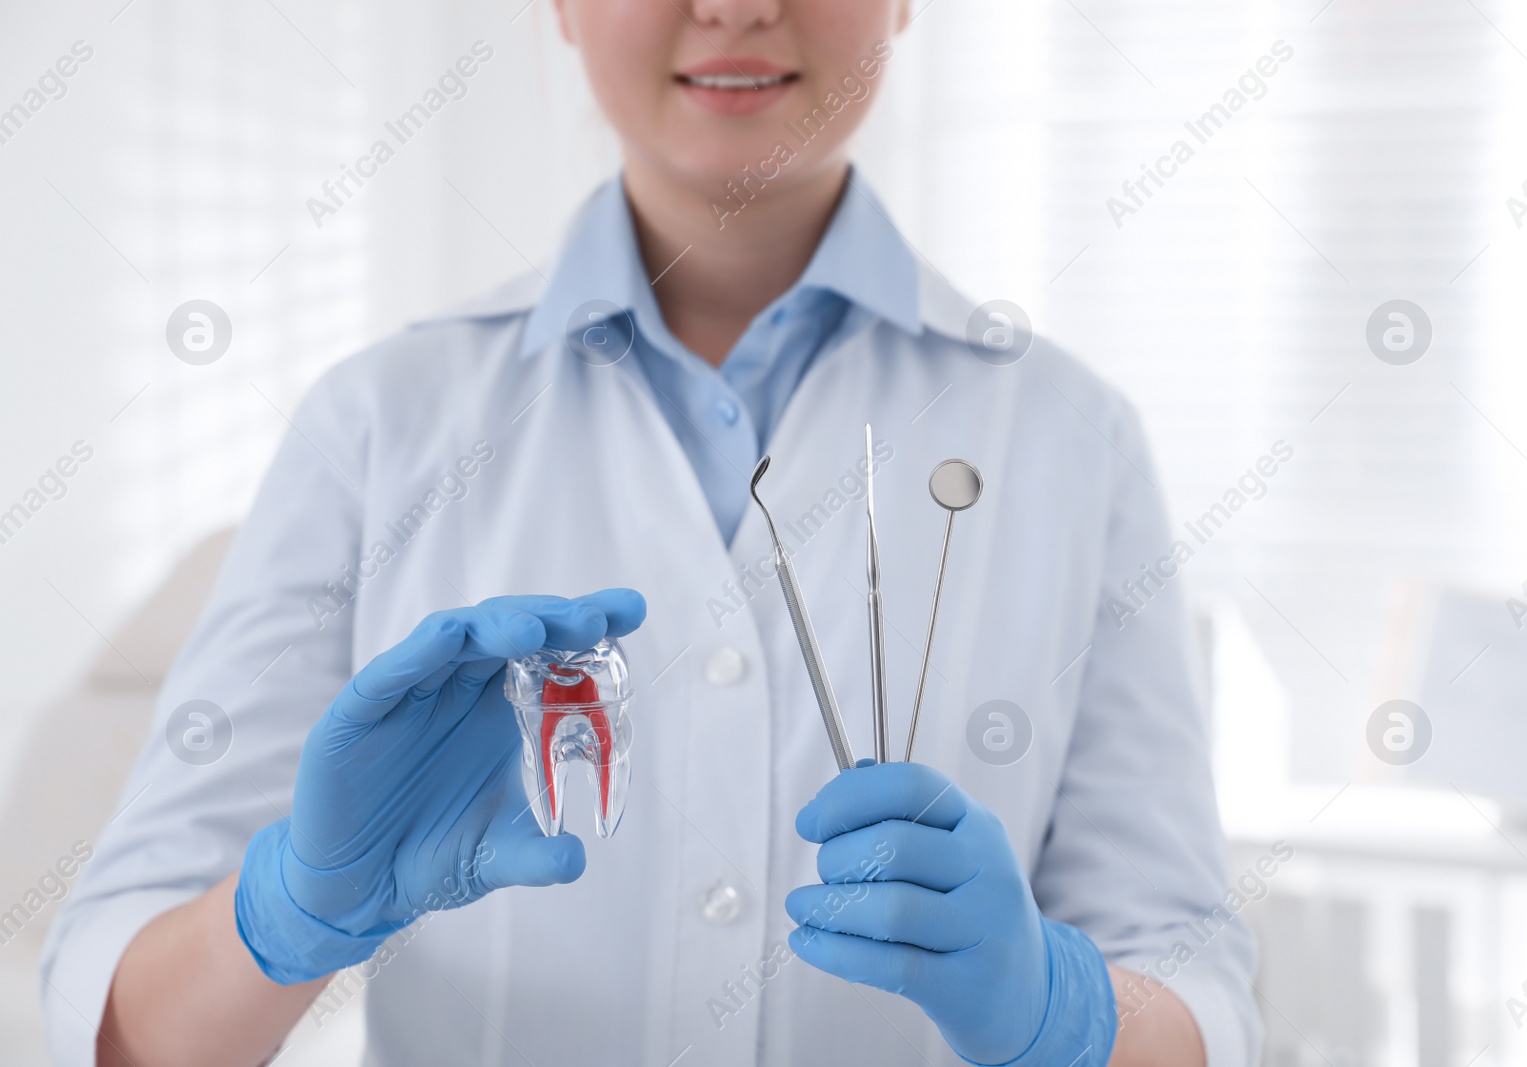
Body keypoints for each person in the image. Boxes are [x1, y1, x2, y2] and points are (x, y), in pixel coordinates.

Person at [41, 0, 1259, 1064]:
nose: (733, 5)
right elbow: (117, 1020)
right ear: (560, 5)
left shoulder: (1068, 436)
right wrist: (288, 913)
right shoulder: (378, 422)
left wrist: (1065, 1012)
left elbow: (1195, 989)